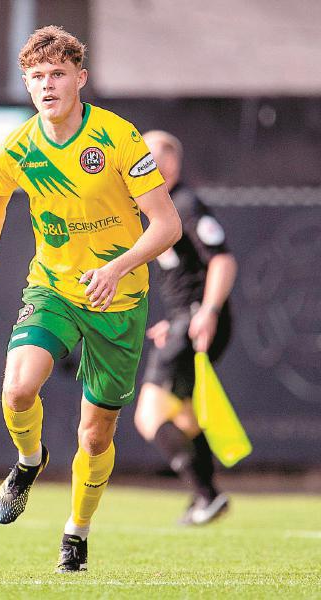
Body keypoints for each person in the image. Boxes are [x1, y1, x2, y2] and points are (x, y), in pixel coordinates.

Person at [0, 26, 181, 573]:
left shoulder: (119, 139)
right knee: (18, 387)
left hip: (119, 301)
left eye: (58, 74)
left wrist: (119, 266)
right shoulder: (16, 149)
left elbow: (167, 225)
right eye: (37, 77)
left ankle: (76, 531)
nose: (48, 85)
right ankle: (29, 461)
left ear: (81, 78)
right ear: (27, 87)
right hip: (52, 288)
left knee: (94, 434)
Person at [134, 130, 238, 526]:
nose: (142, 166)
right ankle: (207, 497)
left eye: (149, 159)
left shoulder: (186, 205)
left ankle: (205, 495)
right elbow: (187, 274)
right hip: (186, 318)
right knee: (184, 416)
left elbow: (223, 261)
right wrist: (176, 318)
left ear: (170, 163)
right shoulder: (165, 208)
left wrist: (205, 311)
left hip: (199, 319)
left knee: (148, 415)